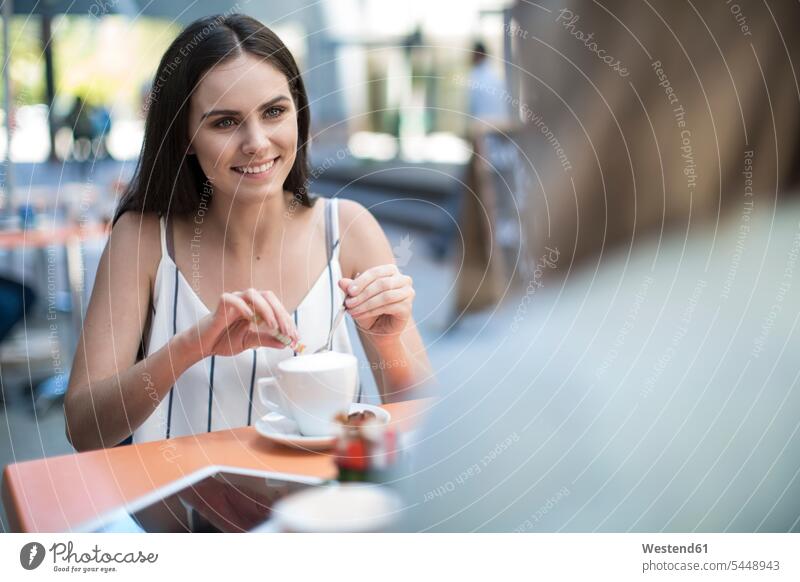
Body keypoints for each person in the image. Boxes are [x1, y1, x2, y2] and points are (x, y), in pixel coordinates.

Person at [64, 14, 433, 452]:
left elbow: (419, 414)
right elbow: (84, 429)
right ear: (184, 136)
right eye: (224, 122)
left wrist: (390, 338)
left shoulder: (349, 229)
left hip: (328, 509)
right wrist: (187, 349)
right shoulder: (142, 240)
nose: (256, 142)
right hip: (186, 516)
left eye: (274, 112)